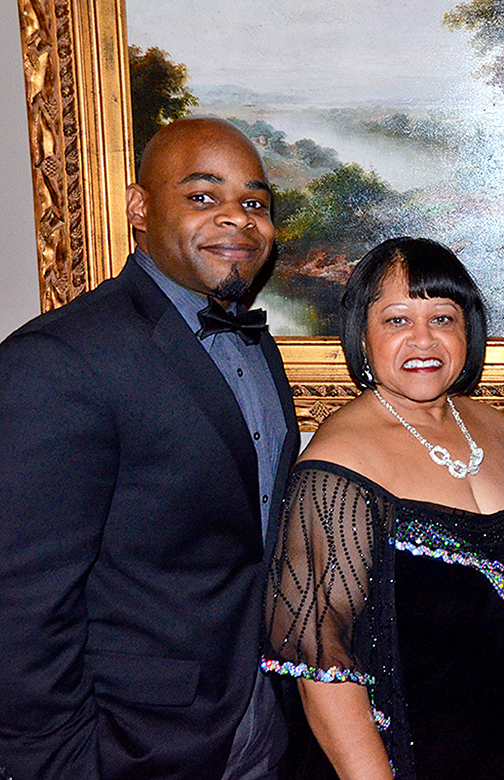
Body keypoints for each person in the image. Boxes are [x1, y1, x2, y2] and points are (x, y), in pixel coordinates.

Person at [0, 118, 301, 780]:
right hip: (136, 747)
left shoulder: (257, 345)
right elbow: (20, 610)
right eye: (202, 196)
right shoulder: (58, 360)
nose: (237, 220)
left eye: (255, 203)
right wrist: (66, 762)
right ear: (139, 207)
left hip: (263, 731)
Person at [261, 237, 504, 780]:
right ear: (362, 335)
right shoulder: (335, 465)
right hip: (400, 758)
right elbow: (318, 663)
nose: (423, 340)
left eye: (442, 317)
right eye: (396, 320)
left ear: (468, 331)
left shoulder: (500, 432)